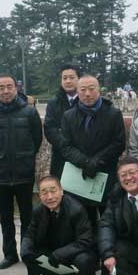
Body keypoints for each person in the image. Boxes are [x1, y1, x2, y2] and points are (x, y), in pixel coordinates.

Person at [0, 74, 43, 269]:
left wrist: (25, 157)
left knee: (27, 216)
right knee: (5, 217)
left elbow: (37, 140)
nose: (6, 91)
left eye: (9, 86)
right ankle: (9, 254)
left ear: (16, 89)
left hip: (24, 173)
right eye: (1, 87)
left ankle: (27, 252)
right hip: (0, 175)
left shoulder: (29, 113)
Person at [59, 74, 125, 228]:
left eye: (91, 89)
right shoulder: (68, 116)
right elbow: (65, 146)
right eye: (82, 90)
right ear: (77, 92)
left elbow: (118, 143)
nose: (87, 94)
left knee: (109, 223)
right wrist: (85, 162)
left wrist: (97, 161)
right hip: (79, 177)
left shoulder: (113, 114)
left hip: (105, 176)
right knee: (84, 224)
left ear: (99, 90)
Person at [20, 176, 98, 275]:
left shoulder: (76, 209)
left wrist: (59, 254)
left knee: (84, 260)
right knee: (30, 253)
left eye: (53, 191)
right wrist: (25, 248)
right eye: (44, 193)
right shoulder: (38, 211)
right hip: (54, 247)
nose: (49, 197)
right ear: (40, 196)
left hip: (76, 249)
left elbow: (85, 240)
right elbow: (30, 233)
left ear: (61, 191)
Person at [44, 64, 81, 179]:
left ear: (79, 79)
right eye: (64, 78)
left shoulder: (87, 100)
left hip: (84, 157)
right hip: (60, 157)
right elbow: (50, 130)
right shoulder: (53, 103)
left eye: (72, 77)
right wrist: (68, 148)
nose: (68, 81)